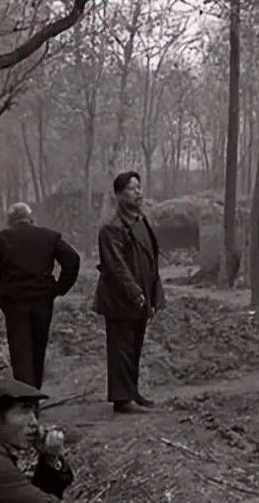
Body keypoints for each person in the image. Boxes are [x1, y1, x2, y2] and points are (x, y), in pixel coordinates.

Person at [0, 203, 81, 390]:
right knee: (38, 350)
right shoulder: (49, 236)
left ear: (9, 221)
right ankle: (33, 398)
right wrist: (58, 288)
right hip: (43, 300)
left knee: (20, 353)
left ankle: (26, 402)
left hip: (14, 303)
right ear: (31, 218)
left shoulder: (0, 238)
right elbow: (72, 260)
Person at [92, 171, 165, 414]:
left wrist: (152, 292)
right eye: (133, 189)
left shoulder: (140, 220)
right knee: (121, 348)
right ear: (119, 195)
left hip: (141, 296)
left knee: (134, 347)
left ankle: (132, 392)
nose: (139, 193)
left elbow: (151, 257)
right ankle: (122, 400)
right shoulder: (111, 228)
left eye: (139, 188)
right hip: (120, 299)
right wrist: (134, 292)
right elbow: (116, 266)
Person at [0, 378, 73, 501]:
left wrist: (50, 457)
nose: (34, 423)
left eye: (34, 412)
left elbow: (21, 495)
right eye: (24, 411)